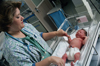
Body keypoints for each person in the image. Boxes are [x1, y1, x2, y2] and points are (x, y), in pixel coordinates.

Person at [0, 1, 68, 66]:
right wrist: (49, 60)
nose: (22, 18)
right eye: (17, 17)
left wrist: (56, 33)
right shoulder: (11, 49)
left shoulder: (25, 27)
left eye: (20, 14)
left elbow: (39, 36)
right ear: (8, 23)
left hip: (54, 57)